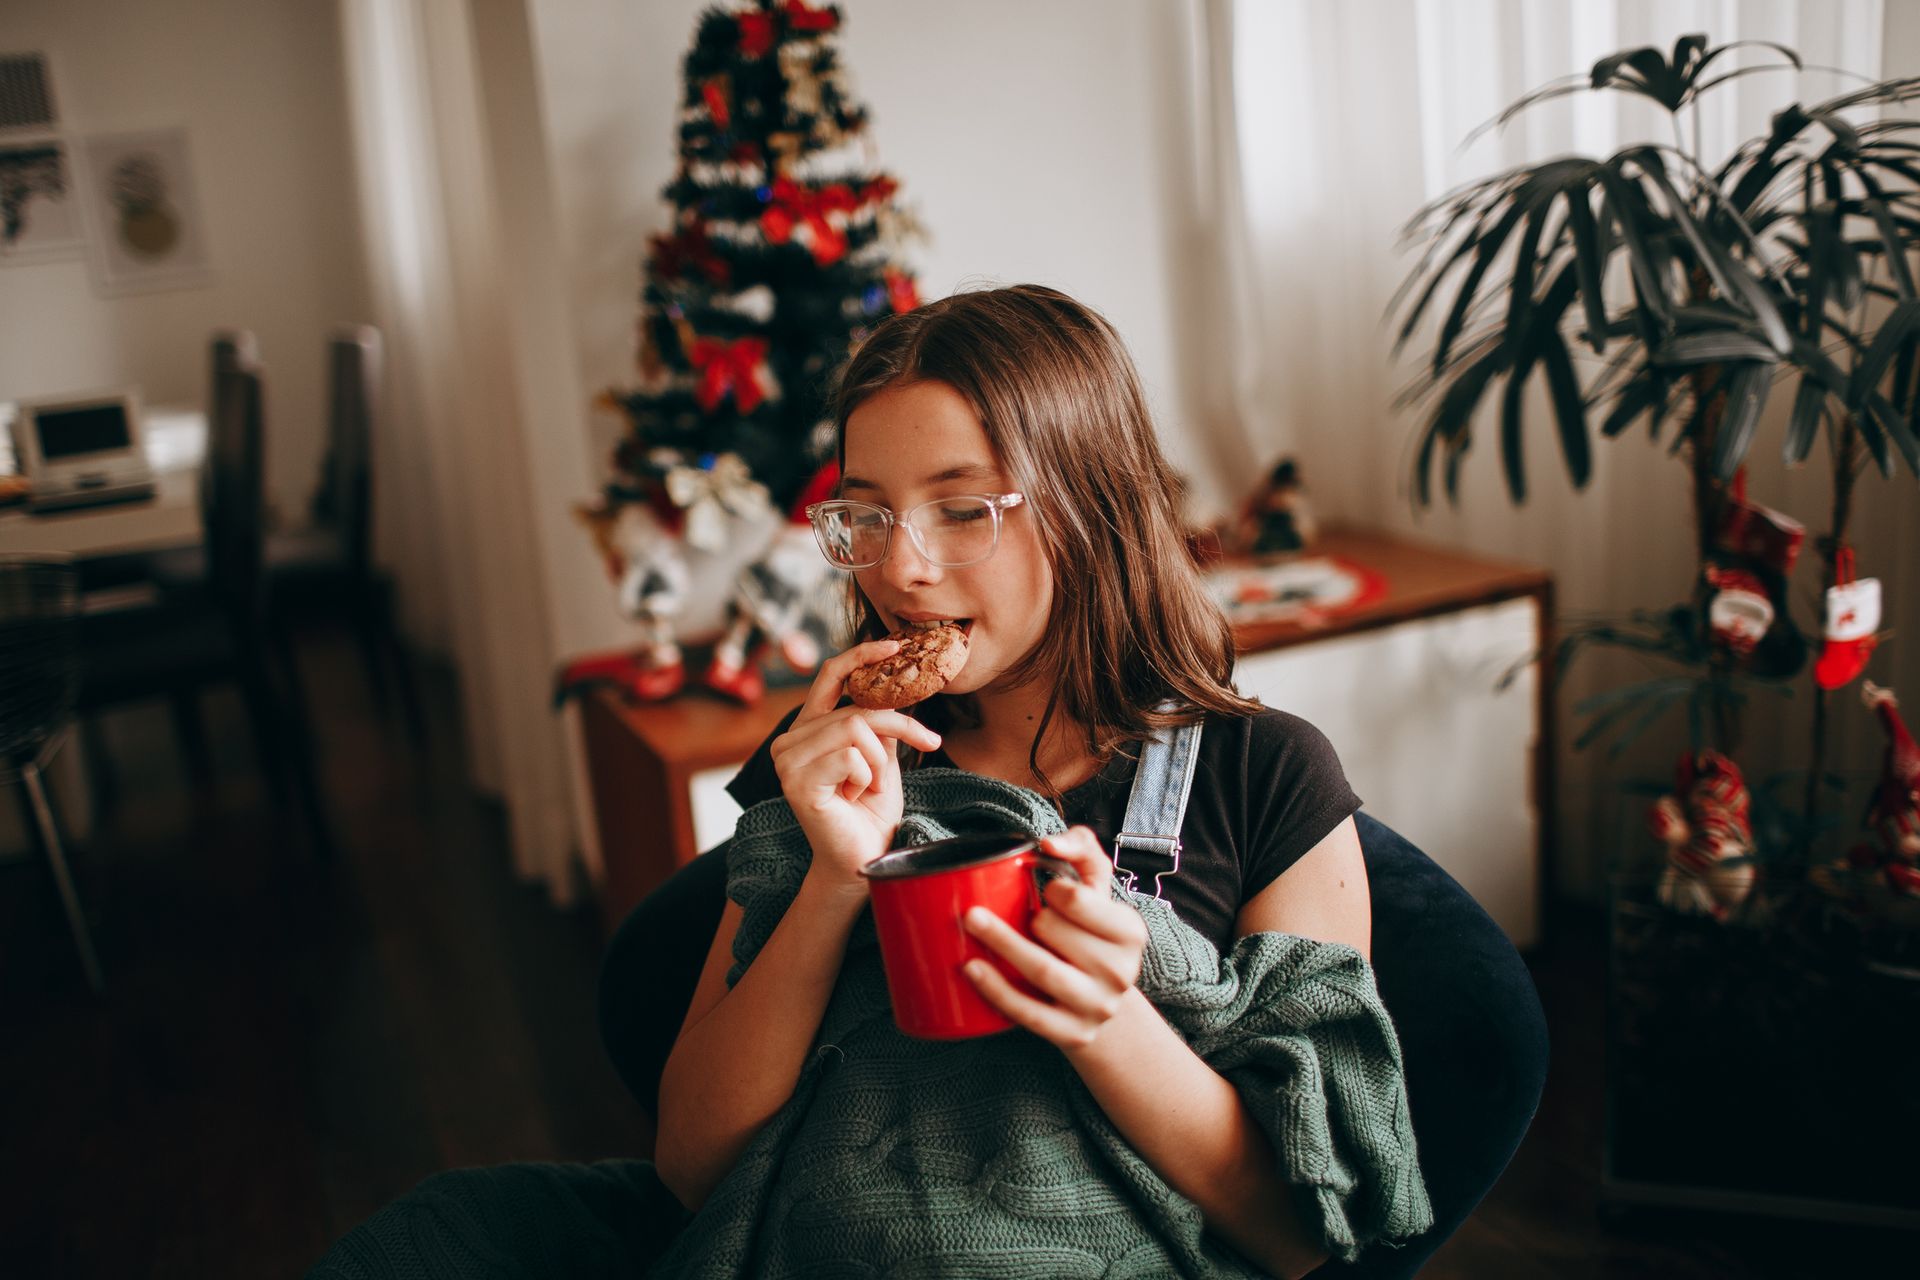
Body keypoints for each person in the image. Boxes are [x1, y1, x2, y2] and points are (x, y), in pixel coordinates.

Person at [310, 285, 1427, 1279]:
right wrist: (833, 881)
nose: (900, 567)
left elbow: (1296, 1231)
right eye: (868, 512)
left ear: (1092, 502)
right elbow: (695, 1161)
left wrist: (1106, 1019)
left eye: (960, 506)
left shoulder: (1265, 772)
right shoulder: (836, 756)